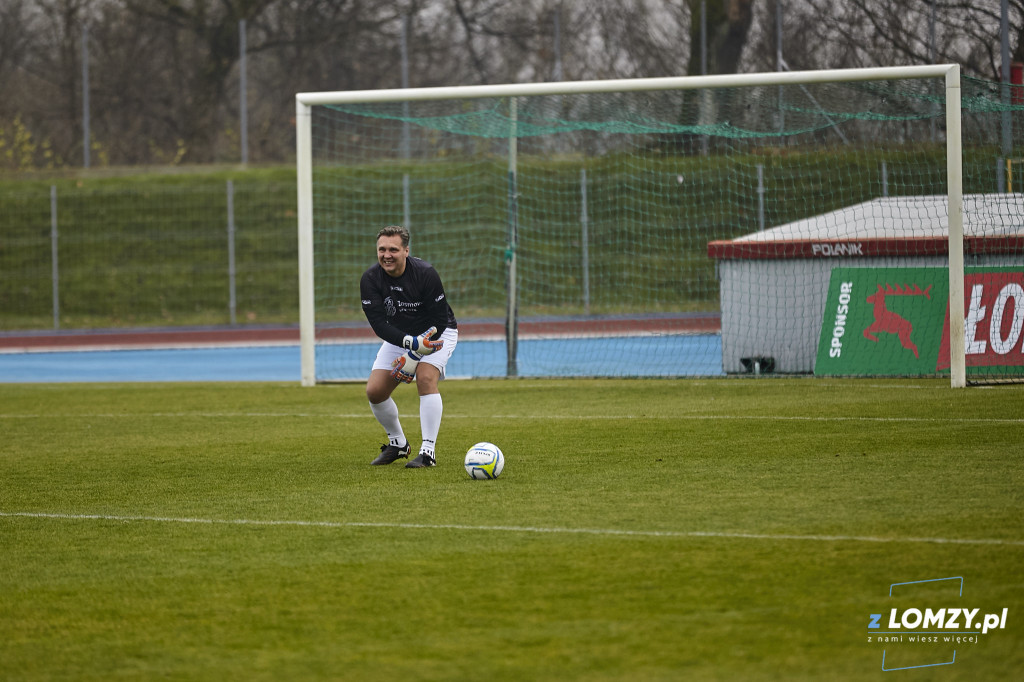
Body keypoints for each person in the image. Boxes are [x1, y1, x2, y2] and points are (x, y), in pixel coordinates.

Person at [360, 225, 458, 468]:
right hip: (402, 337)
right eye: (382, 249)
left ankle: (428, 452)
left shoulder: (426, 274)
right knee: (375, 391)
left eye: (393, 249)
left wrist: (415, 355)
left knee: (425, 378)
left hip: (439, 332)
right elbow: (380, 326)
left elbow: (438, 320)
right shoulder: (370, 279)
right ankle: (398, 444)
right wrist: (410, 345)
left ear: (406, 251)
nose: (386, 255)